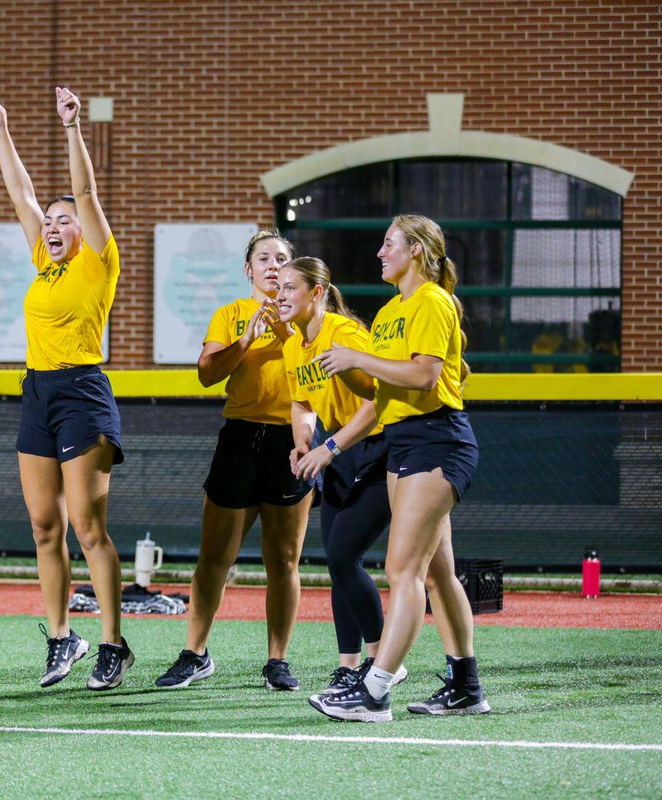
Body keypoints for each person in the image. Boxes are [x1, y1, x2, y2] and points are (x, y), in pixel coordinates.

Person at [309, 214, 489, 722]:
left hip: (438, 439)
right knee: (436, 572)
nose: (380, 252)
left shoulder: (431, 300)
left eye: (389, 244)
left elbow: (425, 376)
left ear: (415, 250)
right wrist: (333, 437)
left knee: (401, 569)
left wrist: (358, 361)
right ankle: (465, 685)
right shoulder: (390, 310)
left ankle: (375, 689)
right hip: (405, 441)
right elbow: (384, 396)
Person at [0, 88, 132, 690]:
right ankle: (61, 637)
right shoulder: (45, 266)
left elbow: (87, 195)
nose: (50, 224)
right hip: (37, 393)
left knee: (86, 526)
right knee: (44, 526)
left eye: (61, 220)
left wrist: (73, 129)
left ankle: (112, 643)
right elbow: (20, 194)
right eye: (48, 221)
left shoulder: (99, 260)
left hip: (83, 392)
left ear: (84, 230)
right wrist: (1, 133)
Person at [155, 230, 314, 690]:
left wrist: (289, 332)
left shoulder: (307, 317)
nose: (272, 265)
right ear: (248, 269)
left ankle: (277, 660)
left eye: (281, 259)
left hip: (291, 440)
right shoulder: (230, 315)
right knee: (214, 557)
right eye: (263, 258)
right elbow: (207, 374)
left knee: (283, 560)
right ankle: (195, 653)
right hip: (241, 438)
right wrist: (246, 340)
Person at [276, 257, 407, 694]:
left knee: (343, 556)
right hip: (340, 450)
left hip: (379, 446)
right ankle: (349, 668)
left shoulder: (344, 333)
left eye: (290, 287)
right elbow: (302, 404)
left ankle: (383, 662)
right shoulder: (294, 343)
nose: (280, 295)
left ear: (317, 292)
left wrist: (328, 448)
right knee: (338, 561)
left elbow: (378, 403)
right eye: (278, 287)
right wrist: (303, 442)